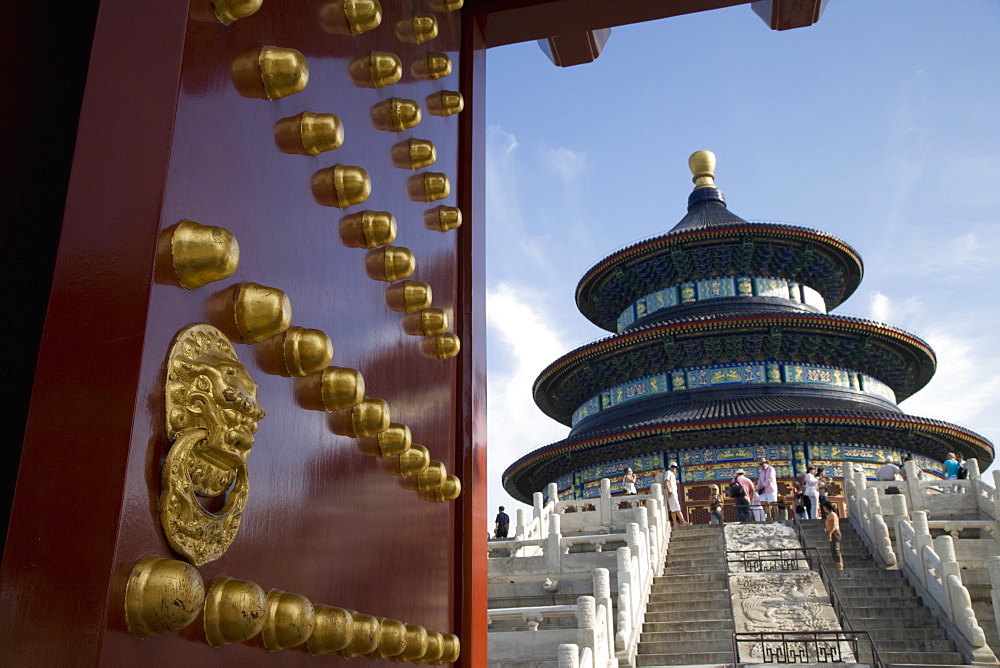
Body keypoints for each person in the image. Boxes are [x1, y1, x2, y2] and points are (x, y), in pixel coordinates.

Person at [823, 500, 844, 570]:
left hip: (834, 532)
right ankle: (838, 565)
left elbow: (834, 525)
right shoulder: (829, 515)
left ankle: (840, 566)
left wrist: (830, 533)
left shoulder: (833, 515)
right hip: (831, 532)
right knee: (833, 550)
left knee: (836, 549)